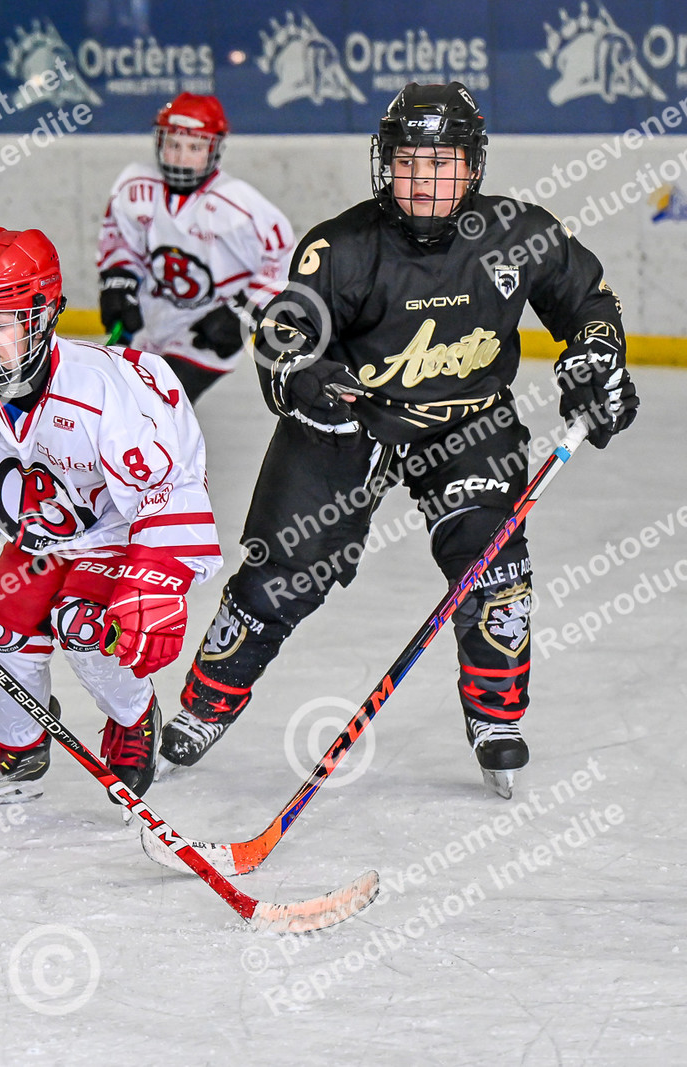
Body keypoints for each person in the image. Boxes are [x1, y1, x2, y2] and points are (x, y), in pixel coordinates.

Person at [158, 82, 638, 798]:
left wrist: (597, 359)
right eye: (409, 162)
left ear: (473, 166)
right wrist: (305, 375)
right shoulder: (342, 247)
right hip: (352, 420)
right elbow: (285, 332)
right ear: (385, 164)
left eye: (441, 164)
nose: (423, 181)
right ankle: (206, 701)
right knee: (280, 572)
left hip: (467, 419)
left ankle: (496, 717)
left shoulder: (518, 234)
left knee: (493, 565)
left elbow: (588, 301)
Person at [0, 227, 223, 807]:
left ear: (43, 317)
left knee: (82, 625)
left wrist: (158, 581)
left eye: (0, 323)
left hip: (118, 530)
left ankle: (133, 716)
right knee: (8, 624)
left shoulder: (104, 390)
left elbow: (168, 486)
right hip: (39, 531)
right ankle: (18, 748)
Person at [97, 93, 294, 402]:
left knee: (153, 405)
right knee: (108, 402)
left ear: (215, 149)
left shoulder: (236, 203)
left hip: (205, 330)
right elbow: (121, 240)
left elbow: (282, 256)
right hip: (150, 318)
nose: (181, 157)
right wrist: (118, 280)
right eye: (173, 145)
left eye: (195, 148)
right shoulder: (136, 186)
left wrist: (243, 312)